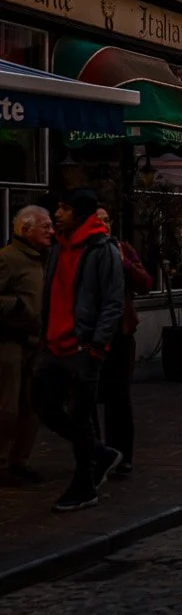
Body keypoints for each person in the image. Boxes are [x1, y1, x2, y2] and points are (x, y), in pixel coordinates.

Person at [31, 190, 125, 512]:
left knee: (81, 415)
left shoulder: (103, 248)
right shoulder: (59, 245)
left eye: (65, 208)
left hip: (83, 346)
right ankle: (99, 453)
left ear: (81, 214)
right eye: (58, 207)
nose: (57, 213)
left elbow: (113, 302)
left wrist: (96, 345)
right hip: (54, 344)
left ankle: (85, 484)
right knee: (42, 403)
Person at [0, 204, 50, 485]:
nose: (51, 232)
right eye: (45, 227)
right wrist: (17, 306)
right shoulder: (8, 259)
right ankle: (3, 462)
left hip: (36, 341)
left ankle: (20, 459)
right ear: (26, 229)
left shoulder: (43, 259)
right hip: (10, 341)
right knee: (8, 405)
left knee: (32, 404)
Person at [98, 213, 151, 473]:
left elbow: (145, 282)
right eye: (99, 220)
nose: (105, 225)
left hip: (120, 332)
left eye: (108, 219)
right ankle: (96, 452)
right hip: (89, 334)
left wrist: (125, 265)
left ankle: (122, 454)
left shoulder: (122, 248)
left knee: (118, 397)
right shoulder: (78, 253)